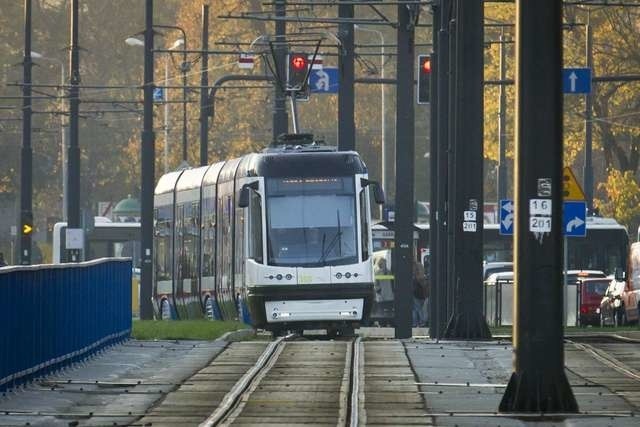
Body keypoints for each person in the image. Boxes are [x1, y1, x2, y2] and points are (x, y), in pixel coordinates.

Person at [412, 258, 428, 327]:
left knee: (416, 309)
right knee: (419, 308)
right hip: (422, 294)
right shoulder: (423, 276)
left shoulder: (415, 277)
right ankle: (420, 322)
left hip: (416, 293)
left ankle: (418, 322)